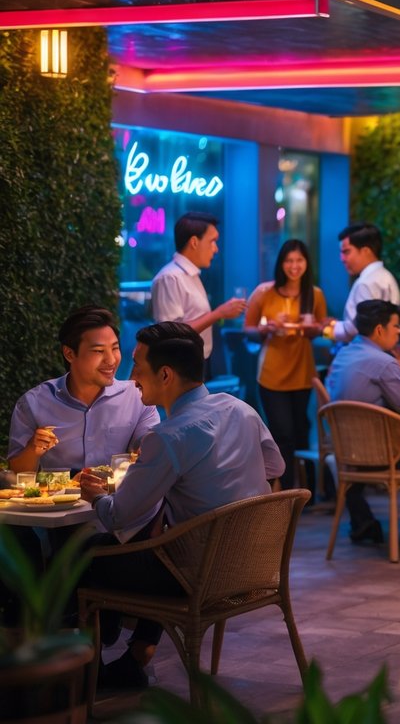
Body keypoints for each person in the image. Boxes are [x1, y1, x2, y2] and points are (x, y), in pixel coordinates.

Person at [79, 321, 282, 688]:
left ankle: (82, 672)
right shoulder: (240, 409)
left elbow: (117, 515)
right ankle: (138, 653)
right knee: (160, 541)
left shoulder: (169, 436)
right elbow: (275, 467)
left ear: (166, 374)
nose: (131, 375)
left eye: (137, 364)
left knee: (88, 552)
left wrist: (95, 496)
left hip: (198, 576)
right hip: (252, 567)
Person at [325, 300, 400, 545]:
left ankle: (364, 523)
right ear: (379, 330)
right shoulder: (384, 362)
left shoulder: (343, 354)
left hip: (348, 452)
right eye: (396, 326)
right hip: (383, 456)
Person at [8, 306, 159, 475]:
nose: (111, 360)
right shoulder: (33, 403)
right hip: (57, 500)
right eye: (99, 351)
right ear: (70, 354)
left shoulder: (138, 398)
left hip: (116, 499)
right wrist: (32, 449)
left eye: (115, 348)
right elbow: (17, 474)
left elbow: (149, 449)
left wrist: (148, 447)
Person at [243, 239, 328, 489]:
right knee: (282, 433)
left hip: (303, 372)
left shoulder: (315, 295)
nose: (294, 266)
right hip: (272, 373)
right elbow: (247, 330)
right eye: (289, 260)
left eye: (299, 260)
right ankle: (287, 492)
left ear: (306, 263)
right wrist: (265, 329)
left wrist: (314, 329)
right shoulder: (263, 292)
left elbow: (318, 330)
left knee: (302, 429)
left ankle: (308, 490)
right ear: (281, 264)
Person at [150, 212, 245, 362]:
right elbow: (169, 334)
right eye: (212, 241)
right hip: (180, 366)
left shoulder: (191, 274)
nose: (216, 249)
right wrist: (218, 313)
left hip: (196, 362)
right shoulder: (170, 277)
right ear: (194, 242)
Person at [330, 223, 400, 342]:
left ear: (366, 251)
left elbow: (357, 329)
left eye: (346, 252)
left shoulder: (366, 283)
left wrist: (325, 329)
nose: (342, 259)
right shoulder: (386, 276)